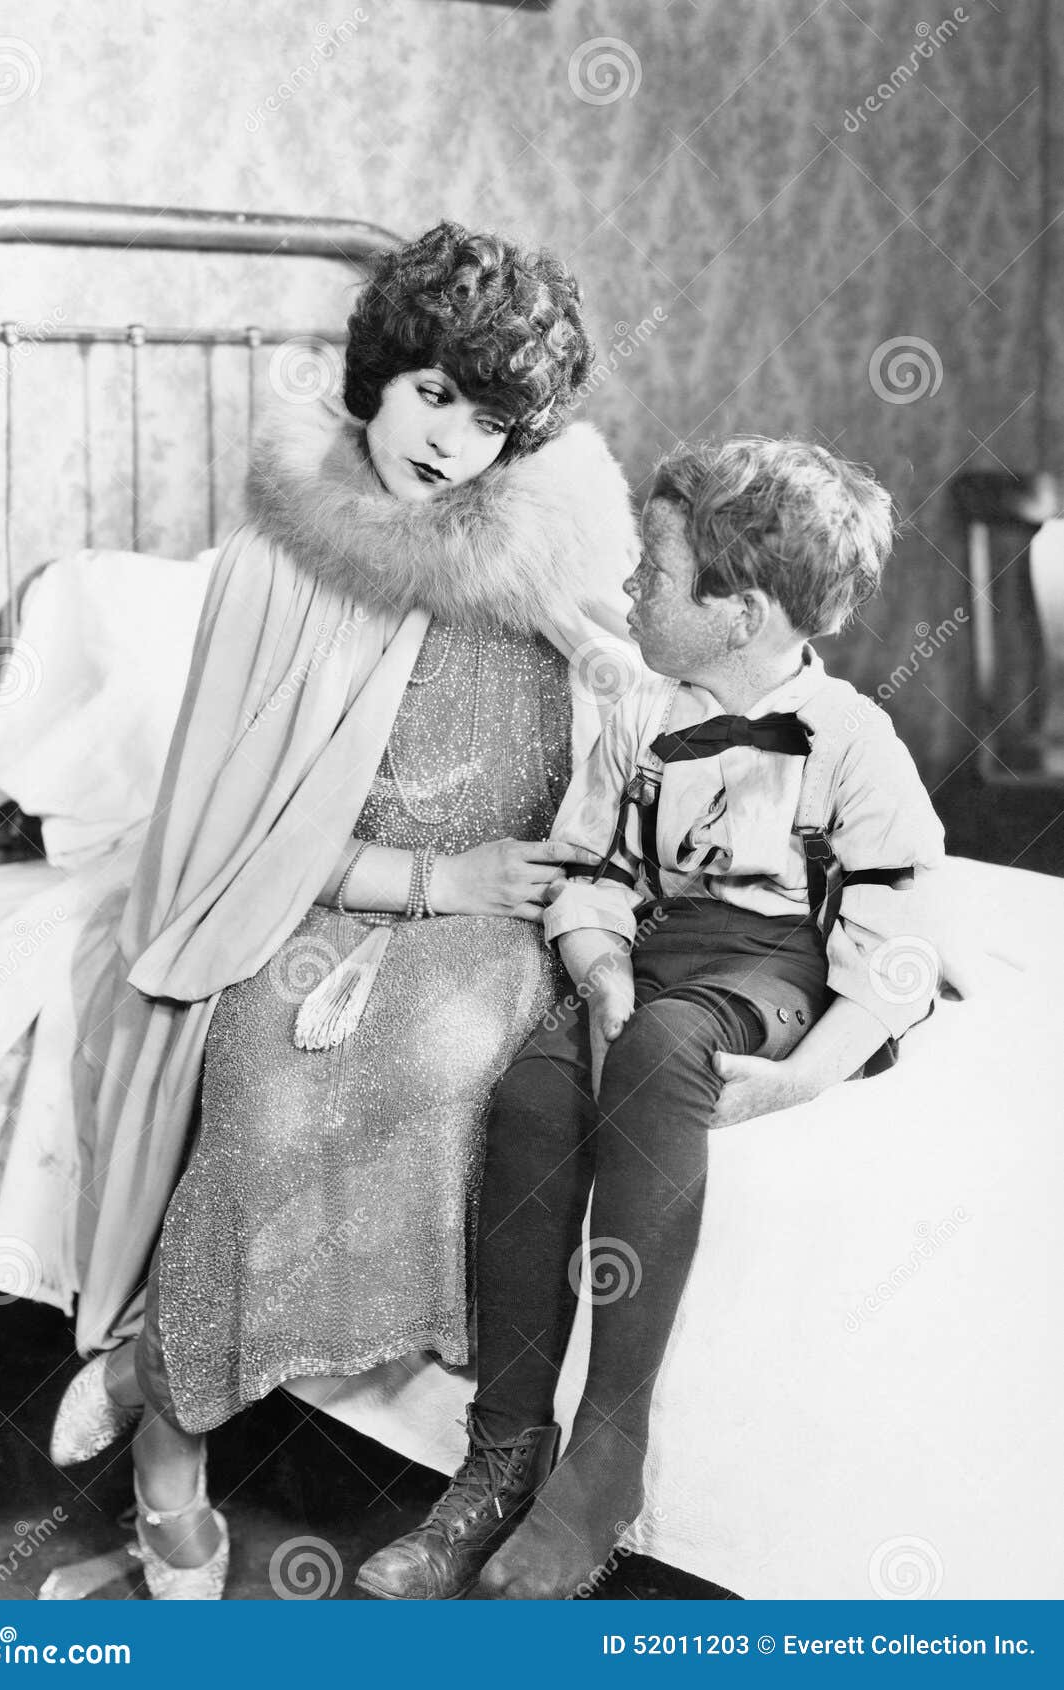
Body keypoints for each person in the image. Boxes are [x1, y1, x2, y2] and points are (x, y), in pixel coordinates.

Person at [43, 222, 642, 1599]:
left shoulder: (538, 549)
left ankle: (150, 1363)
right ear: (380, 371)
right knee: (261, 1083)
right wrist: (434, 880)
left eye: (490, 422)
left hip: (498, 920)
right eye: (436, 393)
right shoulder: (277, 558)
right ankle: (172, 1445)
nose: (449, 444)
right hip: (334, 895)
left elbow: (616, 700)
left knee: (440, 1065)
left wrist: (608, 679)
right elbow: (241, 831)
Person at [356, 436, 948, 1601]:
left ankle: (605, 1459)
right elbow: (590, 865)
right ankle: (501, 1449)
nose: (628, 587)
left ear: (738, 611)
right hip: (659, 951)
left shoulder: (852, 743)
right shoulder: (633, 712)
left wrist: (805, 1075)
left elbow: (899, 942)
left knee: (666, 1048)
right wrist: (595, 956)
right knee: (532, 1088)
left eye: (658, 572)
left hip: (782, 963)